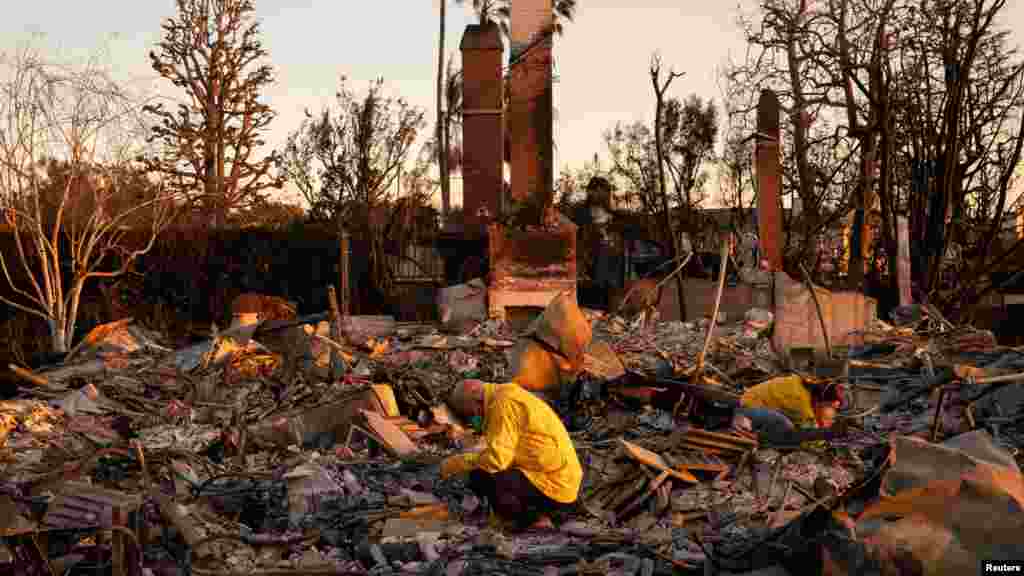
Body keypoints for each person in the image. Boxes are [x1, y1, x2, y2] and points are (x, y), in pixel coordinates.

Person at [439, 378, 583, 531]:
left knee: (486, 476)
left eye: (471, 411)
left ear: (477, 398)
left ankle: (532, 521)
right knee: (482, 471)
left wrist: (458, 462)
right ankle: (533, 515)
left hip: (557, 486)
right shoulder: (504, 395)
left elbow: (497, 461)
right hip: (556, 477)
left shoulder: (503, 404)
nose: (474, 416)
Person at [734, 374, 848, 445]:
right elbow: (806, 434)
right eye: (830, 406)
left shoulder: (804, 383)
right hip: (747, 411)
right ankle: (763, 440)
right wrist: (825, 435)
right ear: (823, 400)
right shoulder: (801, 405)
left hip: (749, 400)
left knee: (786, 422)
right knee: (787, 429)